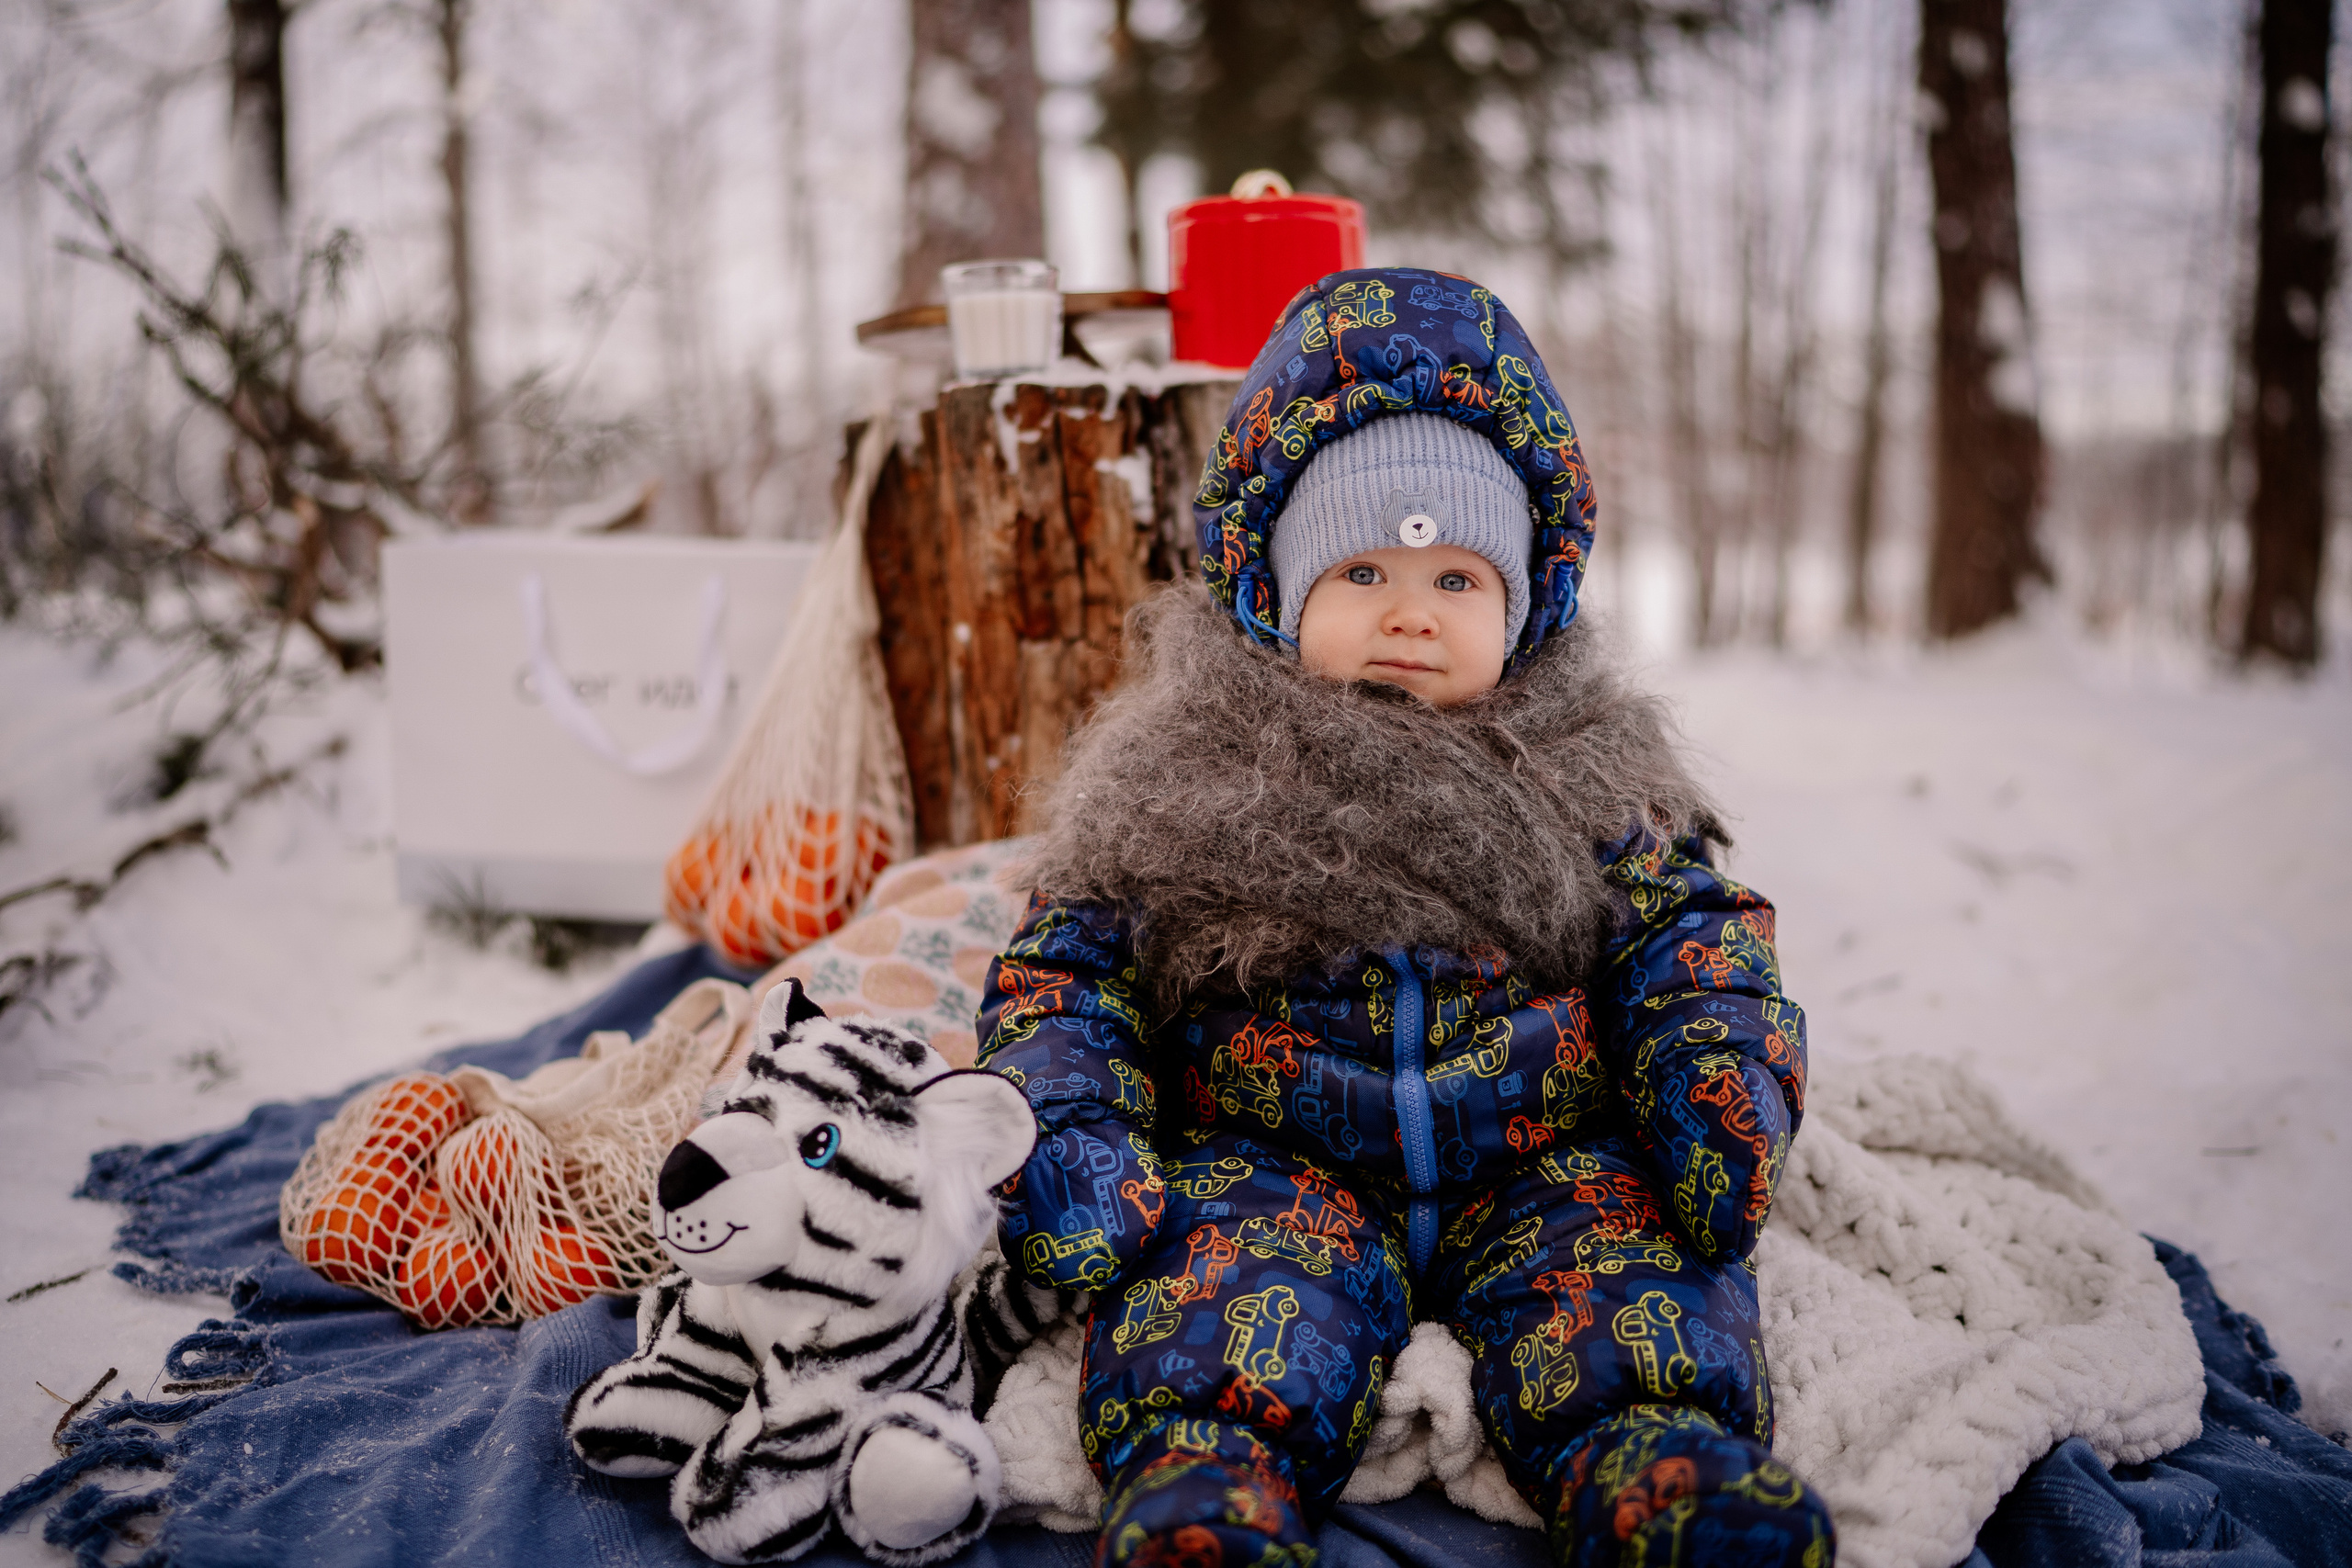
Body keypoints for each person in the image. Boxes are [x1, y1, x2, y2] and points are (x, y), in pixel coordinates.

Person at [977, 267, 1832, 1568]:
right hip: (1279, 1158)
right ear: (1277, 591)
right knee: (1220, 1293)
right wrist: (1077, 1130)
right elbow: (1069, 971)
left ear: (1524, 605)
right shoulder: (1184, 774)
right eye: (1364, 568)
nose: (1410, 613)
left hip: (1540, 1158)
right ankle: (1210, 1490)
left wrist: (1714, 1071)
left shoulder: (1594, 768)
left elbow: (1692, 940)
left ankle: (1660, 1472)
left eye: (1458, 579)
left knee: (1629, 1286)